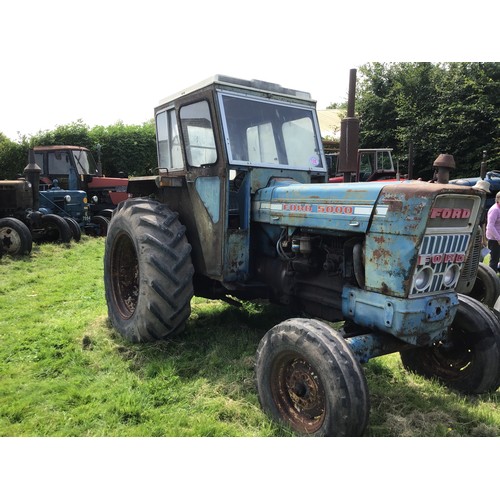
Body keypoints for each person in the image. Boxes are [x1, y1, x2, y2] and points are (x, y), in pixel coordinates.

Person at [486, 191, 500, 274]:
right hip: (495, 239)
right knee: (494, 260)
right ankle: (492, 279)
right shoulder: (495, 210)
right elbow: (490, 226)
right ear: (498, 199)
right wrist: (498, 238)